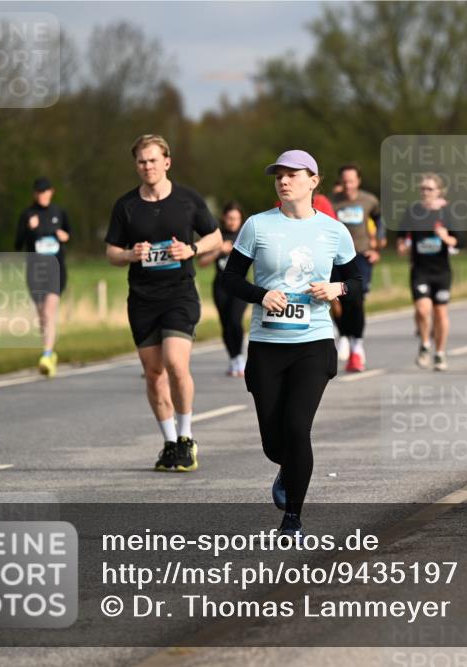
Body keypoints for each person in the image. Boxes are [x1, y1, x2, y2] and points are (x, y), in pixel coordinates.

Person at [221, 149, 361, 538]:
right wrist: (259, 294)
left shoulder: (333, 231)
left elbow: (358, 278)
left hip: (313, 343)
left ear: (313, 181)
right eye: (278, 175)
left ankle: (293, 519)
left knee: (298, 428)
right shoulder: (257, 226)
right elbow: (229, 279)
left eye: (292, 175)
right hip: (266, 345)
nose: (283, 181)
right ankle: (287, 468)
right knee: (274, 441)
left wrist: (338, 287)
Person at [105, 134, 223, 472]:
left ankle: (187, 437)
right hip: (142, 298)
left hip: (179, 293)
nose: (148, 166)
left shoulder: (187, 200)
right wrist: (130, 254)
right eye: (142, 161)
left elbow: (214, 235)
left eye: (153, 160)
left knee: (175, 362)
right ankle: (170, 442)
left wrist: (193, 250)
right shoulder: (126, 206)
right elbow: (111, 252)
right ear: (136, 166)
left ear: (167, 162)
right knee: (153, 373)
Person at [397, 173, 458, 371]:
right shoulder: (413, 211)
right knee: (423, 310)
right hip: (420, 270)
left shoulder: (447, 213)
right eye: (423, 188)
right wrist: (402, 246)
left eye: (430, 189)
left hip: (441, 271)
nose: (426, 192)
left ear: (439, 191)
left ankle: (439, 353)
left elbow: (459, 241)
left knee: (440, 313)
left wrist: (446, 238)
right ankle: (425, 345)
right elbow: (400, 235)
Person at [14, 177, 71, 378]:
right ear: (34, 193)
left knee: (48, 311)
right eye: (39, 192)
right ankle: (50, 352)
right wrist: (29, 229)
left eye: (45, 191)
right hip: (35, 271)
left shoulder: (59, 212)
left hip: (56, 270)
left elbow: (69, 234)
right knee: (42, 315)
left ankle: (46, 355)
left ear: (51, 192)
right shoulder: (27, 214)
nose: (42, 195)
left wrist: (64, 236)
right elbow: (17, 244)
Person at [329, 164, 382, 372]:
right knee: (336, 300)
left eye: (351, 181)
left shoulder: (369, 200)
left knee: (356, 299)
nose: (348, 185)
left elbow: (379, 220)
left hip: (359, 256)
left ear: (358, 181)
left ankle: (357, 346)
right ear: (340, 182)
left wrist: (378, 244)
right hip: (333, 258)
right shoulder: (332, 202)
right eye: (344, 181)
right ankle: (343, 334)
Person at [198, 201, 248, 377]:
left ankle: (240, 357)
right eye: (229, 218)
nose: (232, 222)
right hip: (220, 285)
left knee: (235, 321)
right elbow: (202, 262)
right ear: (224, 219)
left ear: (241, 219)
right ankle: (233, 358)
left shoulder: (246, 236)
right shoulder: (217, 236)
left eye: (236, 218)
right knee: (226, 324)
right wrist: (218, 250)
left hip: (240, 285)